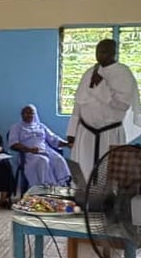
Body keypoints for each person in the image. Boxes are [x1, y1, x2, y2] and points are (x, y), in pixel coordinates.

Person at [67, 38, 141, 179]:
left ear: (113, 53)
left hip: (110, 133)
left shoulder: (123, 73)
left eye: (104, 52)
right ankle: (83, 198)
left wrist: (102, 86)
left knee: (107, 176)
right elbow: (78, 104)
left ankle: (106, 200)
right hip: (85, 132)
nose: (100, 55)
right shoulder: (90, 72)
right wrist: (72, 131)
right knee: (83, 173)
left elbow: (122, 104)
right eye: (98, 51)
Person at [8, 105, 71, 187]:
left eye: (31, 113)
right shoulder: (16, 127)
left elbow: (53, 139)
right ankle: (46, 187)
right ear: (22, 114)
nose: (29, 115)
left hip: (45, 150)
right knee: (43, 160)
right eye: (26, 113)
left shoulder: (40, 126)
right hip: (28, 154)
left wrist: (66, 144)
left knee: (59, 159)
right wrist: (29, 149)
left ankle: (61, 186)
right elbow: (13, 144)